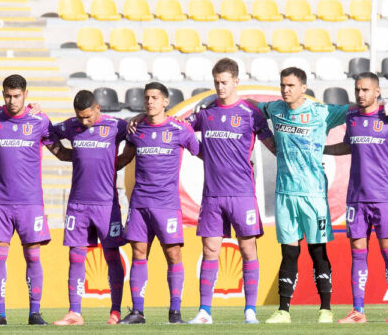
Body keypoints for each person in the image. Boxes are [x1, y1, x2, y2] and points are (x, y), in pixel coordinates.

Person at [255, 67, 388, 324]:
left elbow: (360, 107)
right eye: (283, 85)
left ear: (304, 88)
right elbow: (250, 106)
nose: (285, 90)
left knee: (319, 252)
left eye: (291, 85)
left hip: (316, 194)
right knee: (289, 253)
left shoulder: (321, 112)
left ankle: (328, 309)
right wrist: (213, 100)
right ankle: (284, 310)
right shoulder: (275, 109)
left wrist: (387, 101)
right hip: (285, 193)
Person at [0, 74, 71, 326]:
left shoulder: (39, 120)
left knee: (33, 256)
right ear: (2, 94)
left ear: (26, 95)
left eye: (17, 96)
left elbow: (59, 152)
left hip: (30, 202)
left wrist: (91, 154)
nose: (12, 100)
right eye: (8, 95)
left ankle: (34, 313)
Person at [186, 58, 275, 325]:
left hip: (242, 194)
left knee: (247, 249)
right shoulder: (205, 113)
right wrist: (202, 152)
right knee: (210, 249)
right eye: (216, 82)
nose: (220, 87)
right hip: (213, 195)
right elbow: (178, 128)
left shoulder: (250, 113)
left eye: (224, 82)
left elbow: (273, 145)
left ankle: (250, 311)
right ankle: (204, 311)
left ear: (236, 81)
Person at [324, 72, 388, 324]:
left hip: (384, 198)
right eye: (357, 90)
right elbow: (348, 145)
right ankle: (357, 311)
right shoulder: (352, 117)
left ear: (377, 91)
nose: (361, 94)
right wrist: (322, 149)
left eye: (365, 90)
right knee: (357, 252)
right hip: (356, 198)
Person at [116, 82, 200, 325]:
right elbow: (125, 157)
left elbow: (201, 152)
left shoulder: (179, 129)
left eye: (154, 97)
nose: (150, 101)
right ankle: (137, 311)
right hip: (140, 203)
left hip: (166, 204)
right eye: (147, 98)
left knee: (173, 254)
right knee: (138, 253)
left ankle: (175, 312)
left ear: (165, 101)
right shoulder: (136, 129)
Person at [51, 90, 131, 326]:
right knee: (76, 256)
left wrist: (120, 161)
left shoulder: (116, 126)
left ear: (98, 108)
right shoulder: (71, 126)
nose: (84, 122)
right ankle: (74, 312)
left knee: (112, 255)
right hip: (78, 204)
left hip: (106, 204)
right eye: (80, 117)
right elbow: (46, 132)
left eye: (87, 116)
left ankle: (115, 311)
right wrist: (62, 153)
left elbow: (137, 134)